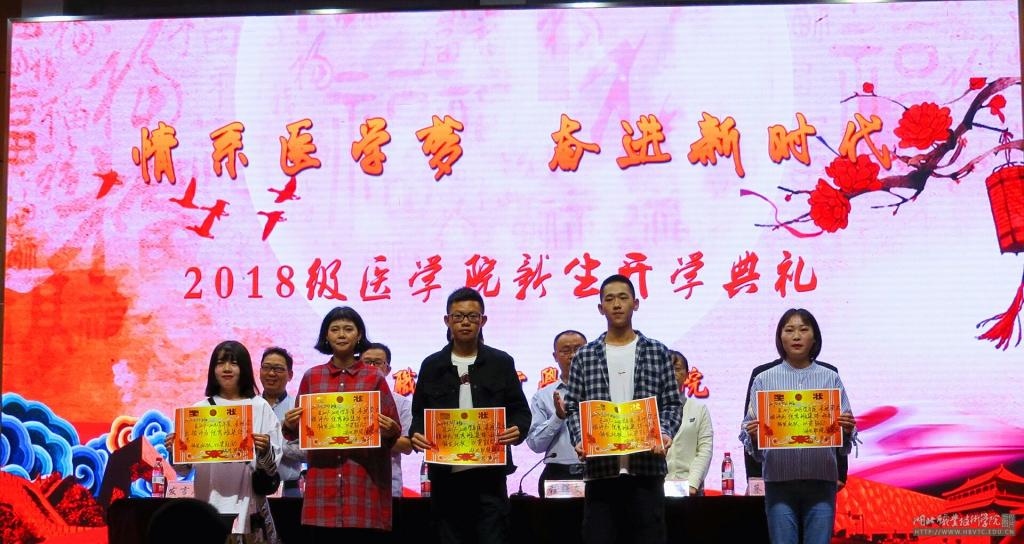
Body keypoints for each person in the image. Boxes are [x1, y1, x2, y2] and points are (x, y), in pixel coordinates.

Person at [563, 275, 682, 544]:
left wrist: (664, 432)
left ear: (635, 304)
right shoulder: (585, 355)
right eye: (609, 299)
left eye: (623, 297)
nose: (616, 304)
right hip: (600, 471)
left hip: (646, 470)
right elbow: (572, 407)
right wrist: (580, 438)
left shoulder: (657, 351)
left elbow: (672, 403)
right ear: (600, 308)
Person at [408, 287, 532, 544]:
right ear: (447, 320)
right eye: (458, 316)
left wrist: (517, 428)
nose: (465, 322)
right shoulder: (432, 365)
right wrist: (416, 434)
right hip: (445, 477)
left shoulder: (501, 362)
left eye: (472, 316)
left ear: (483, 320)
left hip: (489, 477)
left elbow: (520, 410)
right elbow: (418, 414)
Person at [281, 306, 401, 543]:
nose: (342, 334)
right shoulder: (312, 377)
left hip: (363, 486)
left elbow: (393, 431)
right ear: (326, 336)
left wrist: (390, 430)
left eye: (348, 329)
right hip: (322, 489)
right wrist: (291, 423)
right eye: (335, 329)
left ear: (359, 335)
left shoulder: (374, 377)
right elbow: (298, 433)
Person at [740, 308, 857, 544]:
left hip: (821, 480)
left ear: (814, 338)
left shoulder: (830, 377)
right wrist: (752, 434)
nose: (796, 336)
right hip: (779, 481)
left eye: (804, 330)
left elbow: (848, 429)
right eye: (789, 330)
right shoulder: (763, 378)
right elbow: (747, 429)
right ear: (780, 337)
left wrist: (846, 429)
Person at [165, 340, 283, 544]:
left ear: (244, 368)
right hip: (208, 506)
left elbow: (271, 468)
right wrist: (174, 451)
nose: (227, 368)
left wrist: (264, 451)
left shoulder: (260, 407)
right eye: (220, 363)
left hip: (249, 508)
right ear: (213, 369)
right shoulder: (198, 411)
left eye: (234, 363)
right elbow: (183, 470)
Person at [743, 360, 849, 492]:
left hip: (819, 477)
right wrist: (754, 478)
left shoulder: (829, 374)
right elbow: (750, 432)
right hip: (775, 478)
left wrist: (840, 474)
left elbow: (839, 425)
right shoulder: (762, 375)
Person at [526, 330, 588, 497]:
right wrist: (558, 417)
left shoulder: (601, 391)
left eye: (578, 349)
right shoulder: (543, 395)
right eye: (565, 351)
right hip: (558, 473)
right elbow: (535, 444)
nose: (573, 355)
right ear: (555, 356)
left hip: (598, 471)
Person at [361, 342, 415, 497]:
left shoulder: (402, 403)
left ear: (388, 369)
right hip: (353, 483)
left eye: (377, 363)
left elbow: (407, 446)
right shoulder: (346, 401)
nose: (371, 367)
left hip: (387, 485)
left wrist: (368, 437)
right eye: (367, 362)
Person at [665, 350, 713, 496]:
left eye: (677, 369)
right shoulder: (651, 409)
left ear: (687, 375)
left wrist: (692, 484)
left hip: (690, 489)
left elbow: (705, 449)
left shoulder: (699, 409)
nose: (672, 373)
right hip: (656, 489)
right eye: (667, 369)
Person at [259, 346, 305, 497]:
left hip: (289, 490)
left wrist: (272, 448)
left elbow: (309, 452)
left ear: (290, 375)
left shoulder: (299, 407)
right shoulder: (248, 408)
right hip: (253, 489)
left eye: (278, 369)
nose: (271, 373)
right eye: (266, 367)